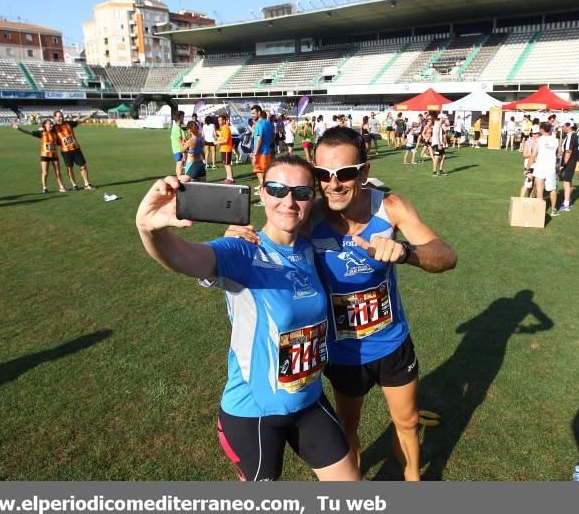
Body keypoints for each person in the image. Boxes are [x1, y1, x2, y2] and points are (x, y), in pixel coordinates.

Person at [225, 128, 457, 480]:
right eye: (322, 175)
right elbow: (270, 245)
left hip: (391, 342)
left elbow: (446, 255)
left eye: (345, 174)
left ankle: (414, 482)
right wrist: (240, 239)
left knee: (407, 422)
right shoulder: (310, 217)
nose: (333, 184)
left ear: (363, 173)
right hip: (341, 353)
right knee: (348, 432)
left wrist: (406, 252)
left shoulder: (390, 207)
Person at [135, 155, 360, 482]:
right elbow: (184, 257)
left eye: (300, 192)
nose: (288, 201)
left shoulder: (312, 248)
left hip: (309, 400)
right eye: (277, 189)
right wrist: (148, 227)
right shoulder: (243, 250)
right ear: (261, 192)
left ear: (312, 199)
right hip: (253, 413)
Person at [12, 118, 68, 193]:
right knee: (45, 172)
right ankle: (44, 187)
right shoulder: (41, 133)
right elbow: (29, 132)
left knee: (57, 172)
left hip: (54, 155)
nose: (51, 125)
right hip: (45, 155)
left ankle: (61, 186)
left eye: (51, 124)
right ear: (45, 125)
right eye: (49, 124)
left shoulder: (55, 133)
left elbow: (60, 141)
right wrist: (19, 128)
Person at [52, 110, 95, 190]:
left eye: (61, 116)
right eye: (59, 117)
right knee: (69, 168)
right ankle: (74, 185)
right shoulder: (54, 128)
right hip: (66, 151)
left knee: (83, 166)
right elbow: (46, 132)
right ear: (55, 118)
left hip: (76, 149)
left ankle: (86, 184)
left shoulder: (68, 123)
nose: (61, 118)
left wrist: (90, 116)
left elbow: (80, 121)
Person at [529, 122, 560, 217]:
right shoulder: (555, 140)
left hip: (540, 167)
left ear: (542, 130)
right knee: (552, 189)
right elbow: (560, 153)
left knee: (540, 190)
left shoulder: (539, 140)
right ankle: (554, 209)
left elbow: (533, 155)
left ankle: (540, 211)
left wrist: (528, 168)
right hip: (551, 167)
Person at [250, 105, 273, 189]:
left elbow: (259, 139)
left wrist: (255, 154)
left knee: (260, 171)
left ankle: (263, 191)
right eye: (251, 113)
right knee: (263, 171)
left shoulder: (259, 124)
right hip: (267, 151)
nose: (252, 115)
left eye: (253, 113)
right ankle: (263, 187)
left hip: (260, 152)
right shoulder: (267, 122)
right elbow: (272, 135)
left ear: (259, 113)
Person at [558, 122, 578, 211]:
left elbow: (568, 151)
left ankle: (566, 205)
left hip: (569, 162)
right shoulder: (573, 135)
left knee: (566, 182)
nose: (562, 128)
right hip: (571, 161)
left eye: (563, 126)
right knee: (568, 182)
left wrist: (563, 164)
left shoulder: (571, 136)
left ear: (569, 127)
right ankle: (568, 200)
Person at [217, 114, 235, 184]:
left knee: (227, 164)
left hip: (226, 149)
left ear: (224, 120)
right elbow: (223, 138)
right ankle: (228, 178)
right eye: (218, 120)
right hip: (224, 149)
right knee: (226, 164)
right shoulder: (223, 128)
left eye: (220, 120)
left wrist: (217, 142)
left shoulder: (225, 128)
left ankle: (230, 178)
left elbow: (226, 140)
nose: (219, 122)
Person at [429, 111, 447, 177]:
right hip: (437, 143)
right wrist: (439, 144)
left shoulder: (439, 124)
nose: (445, 120)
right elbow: (436, 134)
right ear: (441, 118)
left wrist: (442, 143)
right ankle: (434, 172)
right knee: (436, 157)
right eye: (444, 118)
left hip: (439, 143)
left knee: (443, 156)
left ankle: (440, 170)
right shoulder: (438, 124)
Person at [171, 111, 186, 177]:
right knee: (179, 165)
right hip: (179, 150)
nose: (183, 118)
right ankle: (179, 179)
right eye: (183, 117)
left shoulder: (178, 127)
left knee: (181, 165)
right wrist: (183, 152)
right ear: (179, 117)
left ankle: (179, 178)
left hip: (179, 149)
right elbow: (180, 141)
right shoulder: (176, 128)